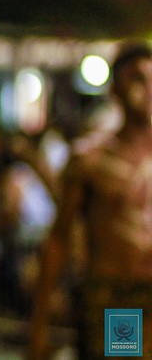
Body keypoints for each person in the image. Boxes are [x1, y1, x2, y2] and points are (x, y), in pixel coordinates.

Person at [28, 42, 152, 359]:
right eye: (137, 79)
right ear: (115, 90)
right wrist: (39, 325)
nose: (148, 89)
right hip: (119, 298)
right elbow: (59, 238)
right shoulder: (91, 159)